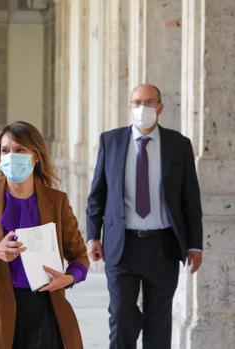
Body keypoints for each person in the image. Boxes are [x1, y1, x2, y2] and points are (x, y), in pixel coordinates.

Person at [86, 84, 203, 349]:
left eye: (150, 102)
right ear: (129, 107)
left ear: (160, 107)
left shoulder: (178, 145)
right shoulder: (111, 141)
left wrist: (195, 243)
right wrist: (92, 236)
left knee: (158, 321)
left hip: (163, 246)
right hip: (122, 245)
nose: (143, 108)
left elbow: (190, 200)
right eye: (137, 102)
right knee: (121, 316)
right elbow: (97, 195)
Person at [0, 121, 89, 349]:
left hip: (45, 309)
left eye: (19, 150)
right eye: (5, 150)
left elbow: (80, 257)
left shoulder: (57, 201)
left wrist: (69, 278)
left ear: (35, 157)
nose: (11, 156)